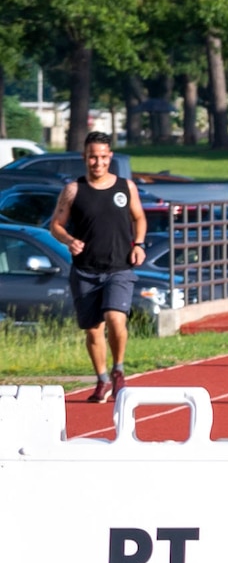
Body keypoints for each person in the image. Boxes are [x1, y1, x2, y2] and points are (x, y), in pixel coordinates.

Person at [47, 131, 146, 404]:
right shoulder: (73, 191)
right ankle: (101, 380)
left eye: (103, 157)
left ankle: (119, 369)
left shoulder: (126, 188)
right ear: (84, 158)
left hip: (119, 268)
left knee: (116, 318)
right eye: (93, 157)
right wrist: (69, 240)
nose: (98, 162)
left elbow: (139, 218)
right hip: (85, 270)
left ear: (110, 157)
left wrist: (138, 244)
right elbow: (55, 225)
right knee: (93, 329)